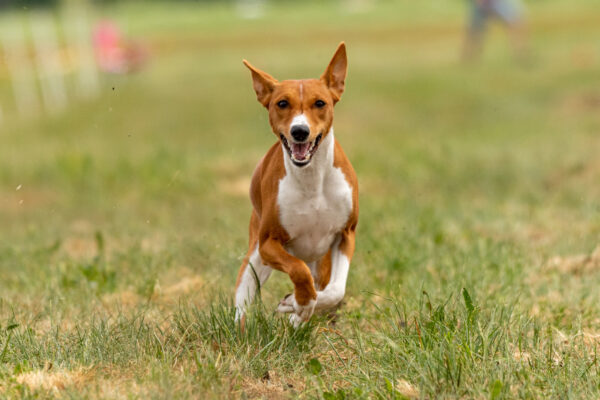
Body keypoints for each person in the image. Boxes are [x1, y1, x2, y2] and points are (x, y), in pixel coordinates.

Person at [462, 0, 528, 61]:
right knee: (475, 31)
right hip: (483, 4)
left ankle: (521, 53)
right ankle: (468, 57)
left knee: (516, 22)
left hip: (496, 2)